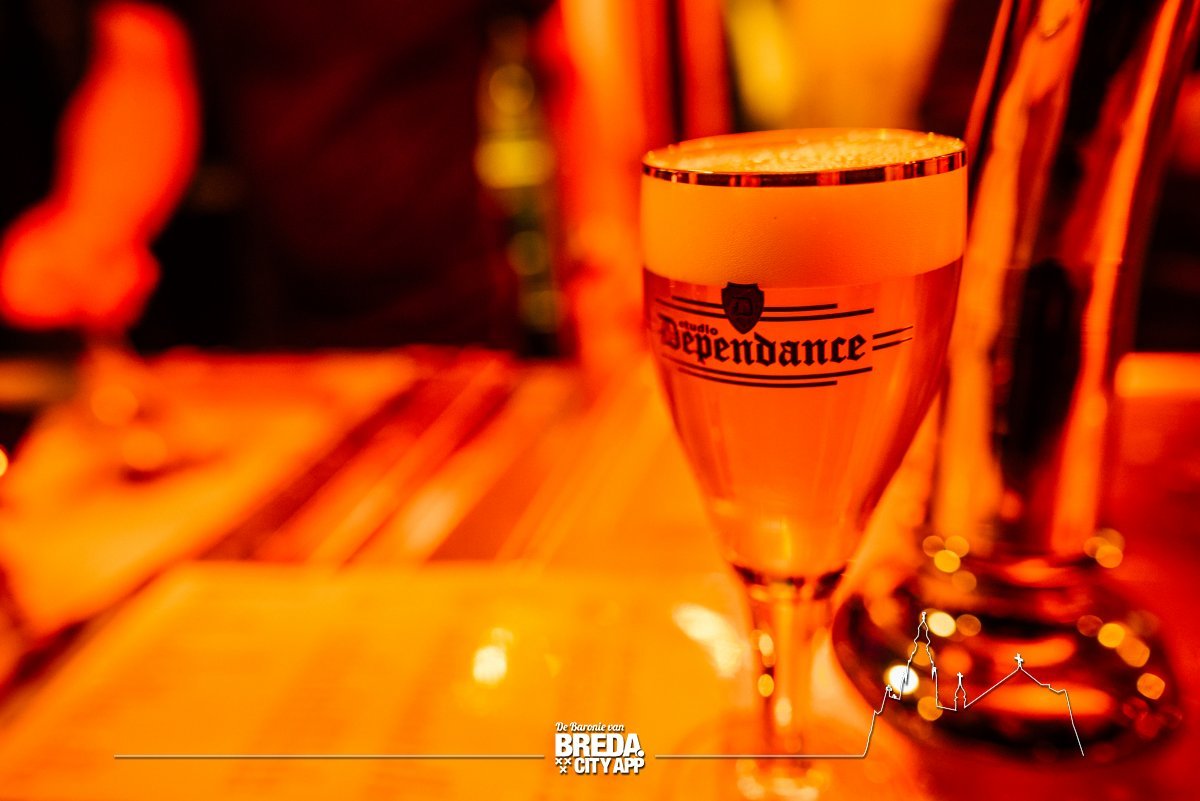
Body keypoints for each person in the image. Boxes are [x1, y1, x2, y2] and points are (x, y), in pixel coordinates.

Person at [1, 0, 550, 351]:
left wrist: (594, 268)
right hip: (258, 315)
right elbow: (144, 59)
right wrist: (94, 226)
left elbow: (566, 49)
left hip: (451, 310)